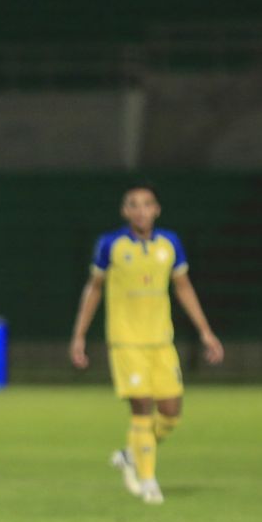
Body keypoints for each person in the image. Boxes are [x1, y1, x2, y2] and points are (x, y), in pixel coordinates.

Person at [69, 183, 224, 505]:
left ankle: (131, 454)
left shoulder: (170, 244)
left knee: (170, 414)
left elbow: (183, 287)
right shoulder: (110, 244)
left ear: (157, 209)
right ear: (125, 211)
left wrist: (206, 332)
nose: (141, 210)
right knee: (142, 408)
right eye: (134, 205)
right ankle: (149, 481)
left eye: (147, 204)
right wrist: (79, 335)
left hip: (161, 343)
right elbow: (94, 289)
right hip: (126, 342)